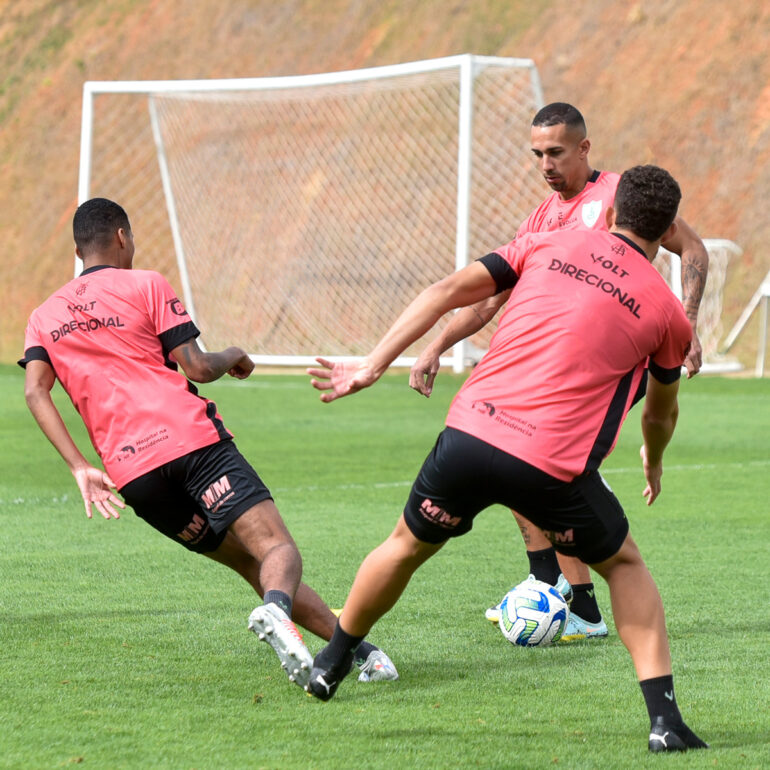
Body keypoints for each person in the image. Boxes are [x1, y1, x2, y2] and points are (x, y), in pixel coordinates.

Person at [304, 165, 708, 752]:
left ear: (611, 212)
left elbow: (445, 292)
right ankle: (665, 723)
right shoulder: (668, 313)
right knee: (623, 565)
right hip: (549, 465)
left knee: (405, 545)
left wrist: (373, 363)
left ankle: (331, 663)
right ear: (667, 228)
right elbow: (659, 413)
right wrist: (654, 459)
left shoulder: (549, 242)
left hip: (469, 434)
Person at [19, 198, 397, 690]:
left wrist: (78, 466)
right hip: (190, 441)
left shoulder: (43, 315)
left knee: (247, 561)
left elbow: (35, 390)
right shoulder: (145, 283)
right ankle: (279, 613)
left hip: (134, 476)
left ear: (76, 250)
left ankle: (354, 656)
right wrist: (234, 354)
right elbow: (197, 367)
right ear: (121, 238)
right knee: (276, 547)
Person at [409, 103, 710, 640]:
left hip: (611, 362)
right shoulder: (543, 219)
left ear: (584, 148)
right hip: (549, 369)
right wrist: (436, 345)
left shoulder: (622, 199)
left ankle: (574, 598)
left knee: (532, 463)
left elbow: (692, 247)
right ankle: (556, 592)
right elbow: (488, 302)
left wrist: (685, 326)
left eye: (556, 152)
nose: (546, 164)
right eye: (538, 154)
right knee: (512, 457)